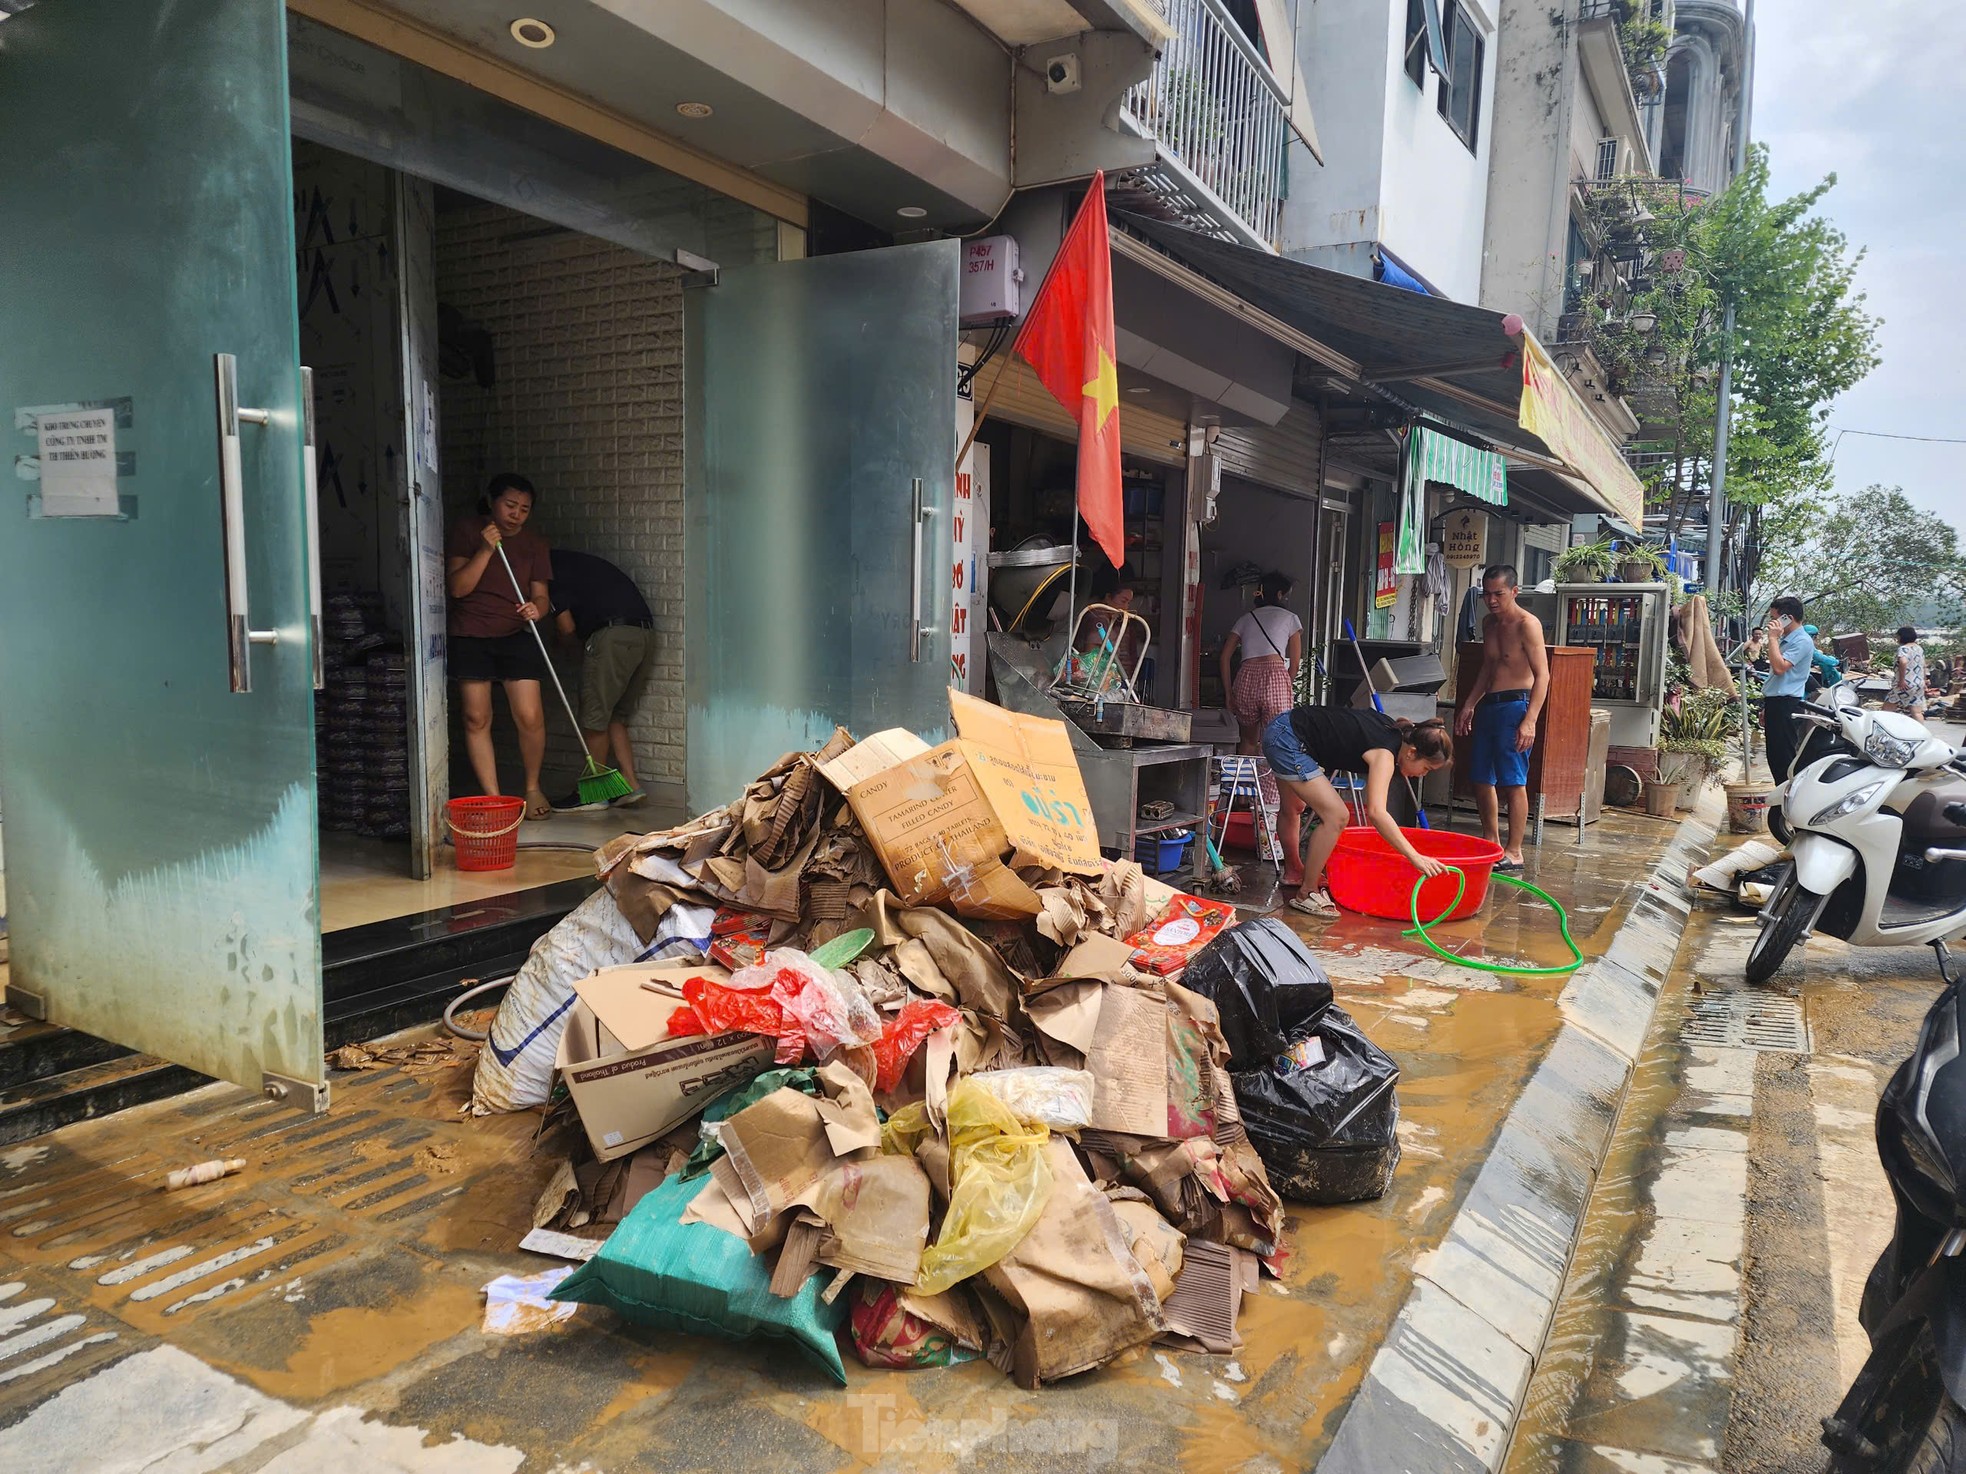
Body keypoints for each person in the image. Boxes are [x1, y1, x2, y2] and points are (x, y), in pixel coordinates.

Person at [1260, 707, 1455, 917]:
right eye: (1426, 769)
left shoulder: (1393, 731)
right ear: (1411, 752)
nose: (1422, 775)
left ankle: (1294, 871)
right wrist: (1414, 856)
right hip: (1288, 741)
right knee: (1336, 816)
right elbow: (1377, 813)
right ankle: (1307, 892)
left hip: (1285, 726)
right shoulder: (1385, 754)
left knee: (1293, 807)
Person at [447, 473, 553, 819]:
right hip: (471, 633)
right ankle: (493, 797)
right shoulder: (467, 531)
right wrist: (486, 548)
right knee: (476, 716)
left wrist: (536, 608)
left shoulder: (535, 544)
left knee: (530, 715)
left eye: (524, 509)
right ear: (491, 501)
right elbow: (459, 588)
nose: (516, 514)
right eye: (509, 505)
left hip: (515, 635)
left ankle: (532, 786)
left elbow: (541, 595)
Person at [1454, 564, 1550, 871]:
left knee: (1513, 780)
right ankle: (1491, 843)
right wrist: (1469, 703)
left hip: (1516, 705)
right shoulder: (1488, 623)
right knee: (1481, 777)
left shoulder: (1527, 624)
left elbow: (1542, 675)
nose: (1492, 600)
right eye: (1487, 594)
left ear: (1514, 591)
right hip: (1489, 705)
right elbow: (1488, 667)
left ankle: (1515, 850)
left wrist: (1530, 719)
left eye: (1499, 593)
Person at [549, 550, 656, 810]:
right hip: (644, 634)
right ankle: (630, 786)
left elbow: (566, 628)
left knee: (595, 715)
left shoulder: (550, 574)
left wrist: (568, 648)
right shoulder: (576, 563)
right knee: (614, 715)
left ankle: (594, 792)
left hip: (611, 635)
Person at [1220, 572, 1303, 859]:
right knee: (1274, 747)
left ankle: (1241, 800)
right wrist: (1284, 682)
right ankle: (1267, 805)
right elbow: (1295, 660)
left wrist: (1229, 692)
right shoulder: (1290, 618)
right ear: (1280, 594)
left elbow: (1225, 655)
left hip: (1245, 678)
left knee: (1248, 742)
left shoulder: (1246, 618)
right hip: (1275, 678)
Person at [1759, 596, 1815, 782]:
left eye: (1774, 618)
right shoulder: (1787, 639)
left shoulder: (1801, 641)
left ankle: (1785, 801)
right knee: (1774, 755)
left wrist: (1773, 638)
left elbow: (1780, 667)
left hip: (1787, 703)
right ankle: (1780, 800)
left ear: (1787, 618)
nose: (1771, 623)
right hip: (1776, 702)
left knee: (1783, 757)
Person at [1890, 624, 1928, 721]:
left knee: (1887, 709)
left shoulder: (1903, 649)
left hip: (1905, 684)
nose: (1897, 639)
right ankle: (1921, 733)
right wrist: (1924, 680)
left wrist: (1901, 680)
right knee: (1917, 712)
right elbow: (1923, 665)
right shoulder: (1919, 649)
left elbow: (1903, 662)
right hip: (1918, 683)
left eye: (1898, 636)